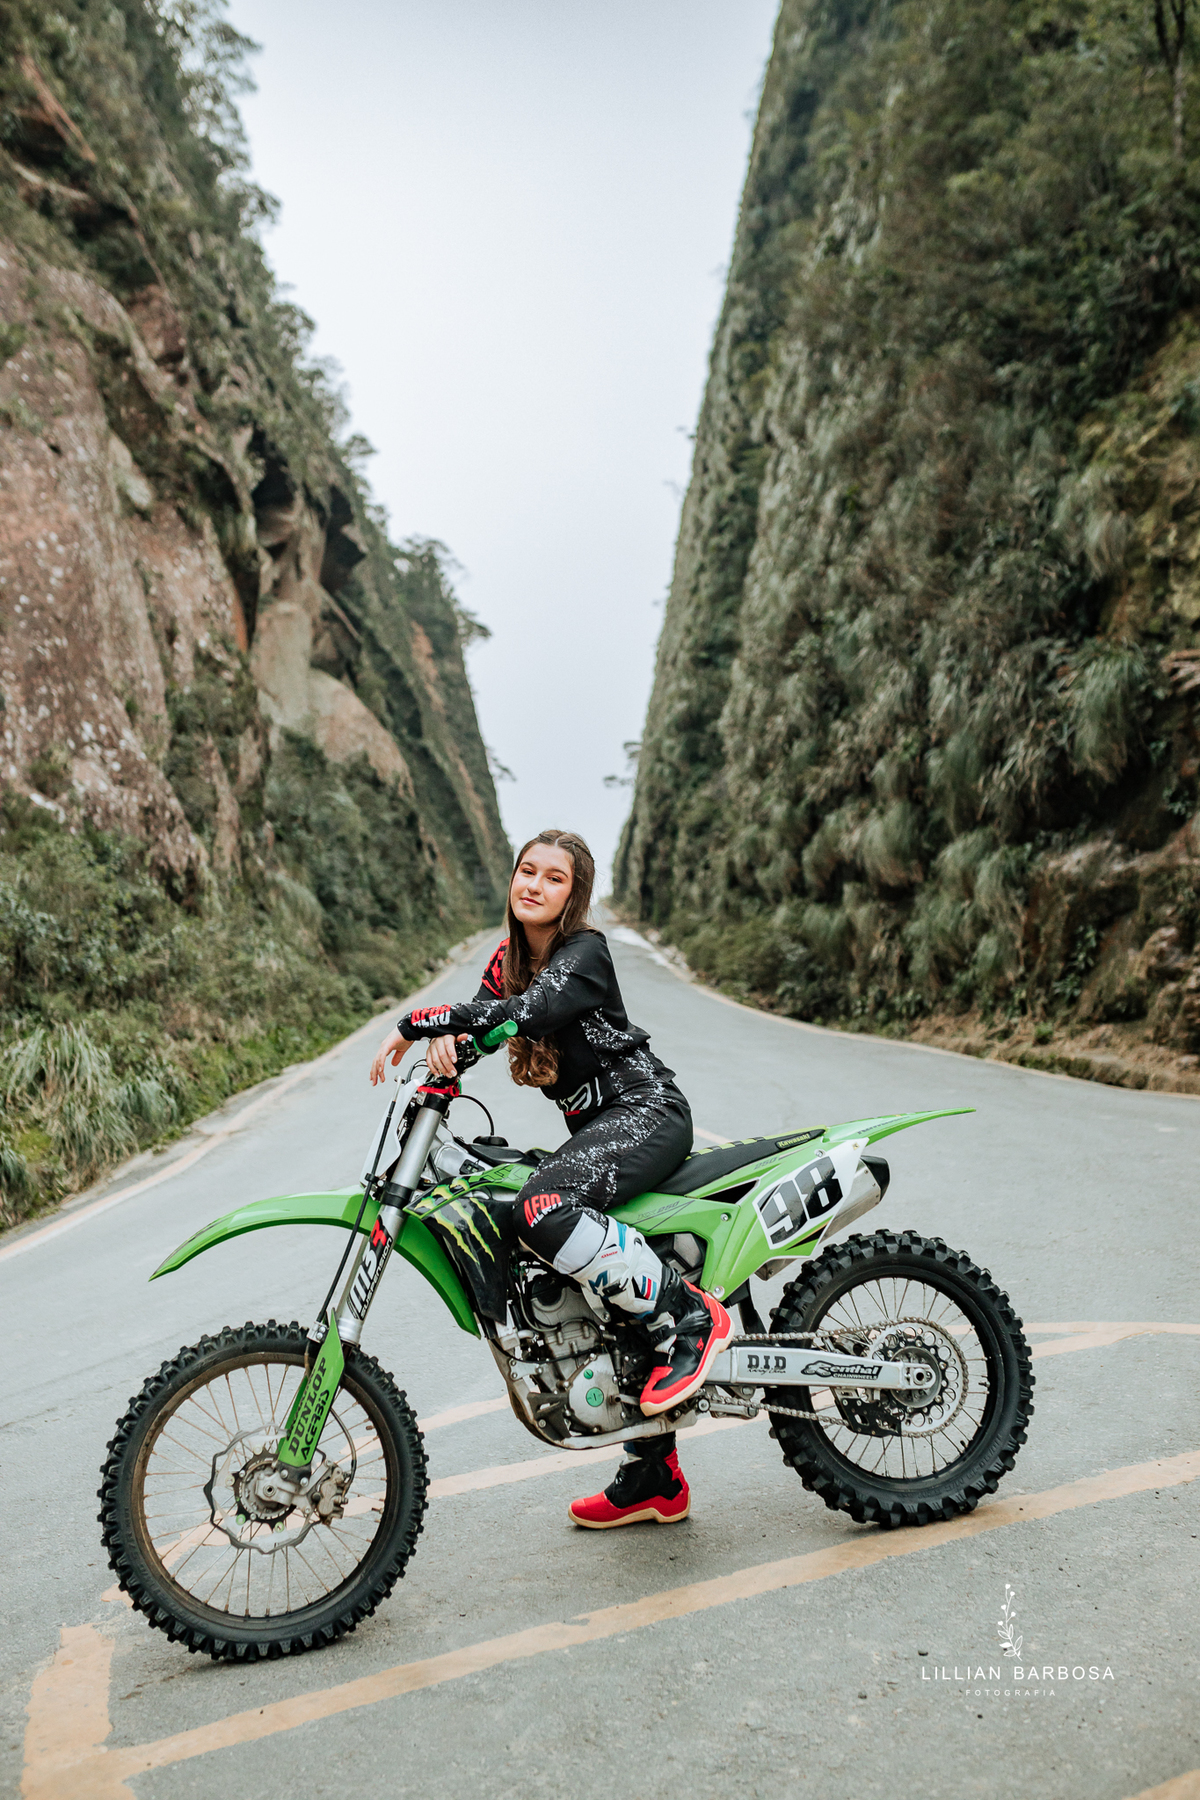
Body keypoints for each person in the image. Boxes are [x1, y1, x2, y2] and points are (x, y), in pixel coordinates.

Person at [369, 828, 732, 1529]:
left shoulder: (583, 954)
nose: (533, 884)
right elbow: (482, 1030)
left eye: (553, 878)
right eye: (526, 871)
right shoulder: (507, 959)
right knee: (568, 1262)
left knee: (540, 1206)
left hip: (645, 1112)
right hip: (599, 1129)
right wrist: (443, 1054)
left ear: (575, 895)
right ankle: (655, 1473)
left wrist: (418, 1020)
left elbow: (523, 1016)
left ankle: (691, 1317)